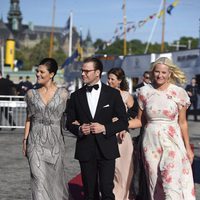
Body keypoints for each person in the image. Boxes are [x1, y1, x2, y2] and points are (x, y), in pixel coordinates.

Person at [129, 57, 196, 200]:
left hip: (173, 141)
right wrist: (118, 125)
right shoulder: (144, 92)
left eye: (164, 72)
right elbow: (140, 121)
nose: (160, 75)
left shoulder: (179, 93)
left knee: (171, 184)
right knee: (154, 183)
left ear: (170, 73)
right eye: (157, 72)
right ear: (153, 72)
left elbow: (183, 123)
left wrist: (188, 148)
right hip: (150, 143)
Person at [67, 57, 128, 200]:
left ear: (97, 73)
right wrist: (80, 129)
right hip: (85, 148)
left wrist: (105, 128)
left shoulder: (113, 94)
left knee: (107, 191)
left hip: (107, 148)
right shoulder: (76, 96)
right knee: (89, 193)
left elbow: (123, 122)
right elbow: (69, 123)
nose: (83, 74)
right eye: (82, 71)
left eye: (87, 71)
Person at [22, 58, 68, 199]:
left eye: (42, 72)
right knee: (38, 180)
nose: (38, 74)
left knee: (55, 182)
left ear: (52, 74)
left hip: (55, 143)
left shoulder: (64, 94)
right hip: (35, 142)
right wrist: (25, 140)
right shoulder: (31, 94)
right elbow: (28, 118)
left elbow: (72, 117)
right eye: (37, 71)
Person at [107, 67, 134, 200]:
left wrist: (124, 124)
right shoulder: (104, 94)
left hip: (122, 137)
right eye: (108, 78)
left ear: (119, 81)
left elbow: (134, 113)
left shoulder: (126, 95)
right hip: (107, 135)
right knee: (109, 171)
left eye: (112, 79)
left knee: (122, 170)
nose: (109, 81)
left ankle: (122, 197)